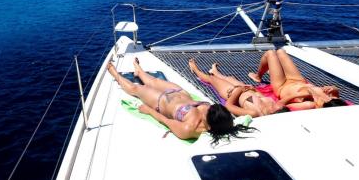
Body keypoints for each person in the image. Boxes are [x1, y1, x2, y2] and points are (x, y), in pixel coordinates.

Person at [107, 58, 254, 143]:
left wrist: (148, 110)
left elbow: (165, 121)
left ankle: (114, 73)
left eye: (207, 111)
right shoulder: (221, 116)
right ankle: (139, 70)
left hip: (160, 101)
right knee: (152, 80)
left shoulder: (189, 128)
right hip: (179, 92)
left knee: (136, 89)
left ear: (209, 124)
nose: (206, 108)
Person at [248, 49, 346, 110]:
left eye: (327, 100)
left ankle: (258, 76)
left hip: (282, 86)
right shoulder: (332, 101)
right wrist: (334, 88)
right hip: (298, 80)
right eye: (331, 98)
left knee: (270, 53)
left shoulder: (309, 105)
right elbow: (335, 94)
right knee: (281, 52)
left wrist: (298, 95)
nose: (328, 98)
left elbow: (279, 105)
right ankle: (272, 71)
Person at [188, 59, 288, 117]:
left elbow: (229, 106)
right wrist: (254, 89)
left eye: (277, 107)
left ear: (273, 113)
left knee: (211, 79)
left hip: (232, 93)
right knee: (231, 78)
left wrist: (239, 90)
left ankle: (195, 69)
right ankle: (215, 72)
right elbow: (259, 96)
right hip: (246, 89)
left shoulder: (255, 112)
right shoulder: (272, 105)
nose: (277, 104)